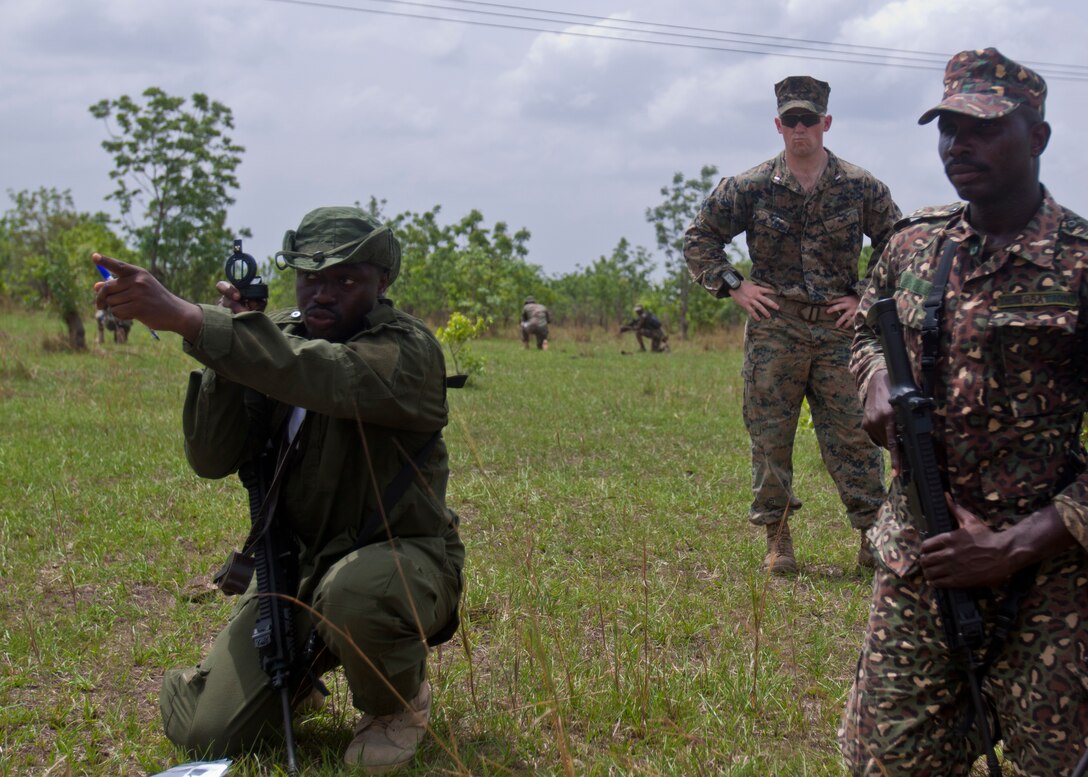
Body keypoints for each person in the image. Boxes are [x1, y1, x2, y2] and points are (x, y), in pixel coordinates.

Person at [93, 206, 465, 774]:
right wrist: (229, 353)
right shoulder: (276, 340)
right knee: (204, 732)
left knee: (358, 593)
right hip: (294, 571)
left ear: (382, 282)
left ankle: (396, 705)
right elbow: (212, 457)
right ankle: (298, 681)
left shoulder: (407, 351)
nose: (324, 293)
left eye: (346, 280)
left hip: (400, 560)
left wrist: (196, 322)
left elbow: (324, 374)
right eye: (311, 278)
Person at [839, 48, 1088, 776]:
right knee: (886, 761)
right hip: (923, 556)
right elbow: (864, 331)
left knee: (1059, 759)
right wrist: (875, 377)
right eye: (947, 128)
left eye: (982, 127)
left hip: (1051, 573)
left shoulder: (1079, 264)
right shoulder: (914, 245)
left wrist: (1012, 547)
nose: (958, 145)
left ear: (1038, 137)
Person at [684, 75, 901, 574]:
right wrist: (734, 286)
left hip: (837, 331)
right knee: (770, 433)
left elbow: (899, 244)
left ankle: (872, 536)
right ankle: (777, 538)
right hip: (774, 326)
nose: (800, 129)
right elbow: (700, 237)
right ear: (778, 125)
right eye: (791, 120)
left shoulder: (860, 186)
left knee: (855, 433)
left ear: (826, 123)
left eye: (809, 120)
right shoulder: (752, 186)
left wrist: (865, 298)